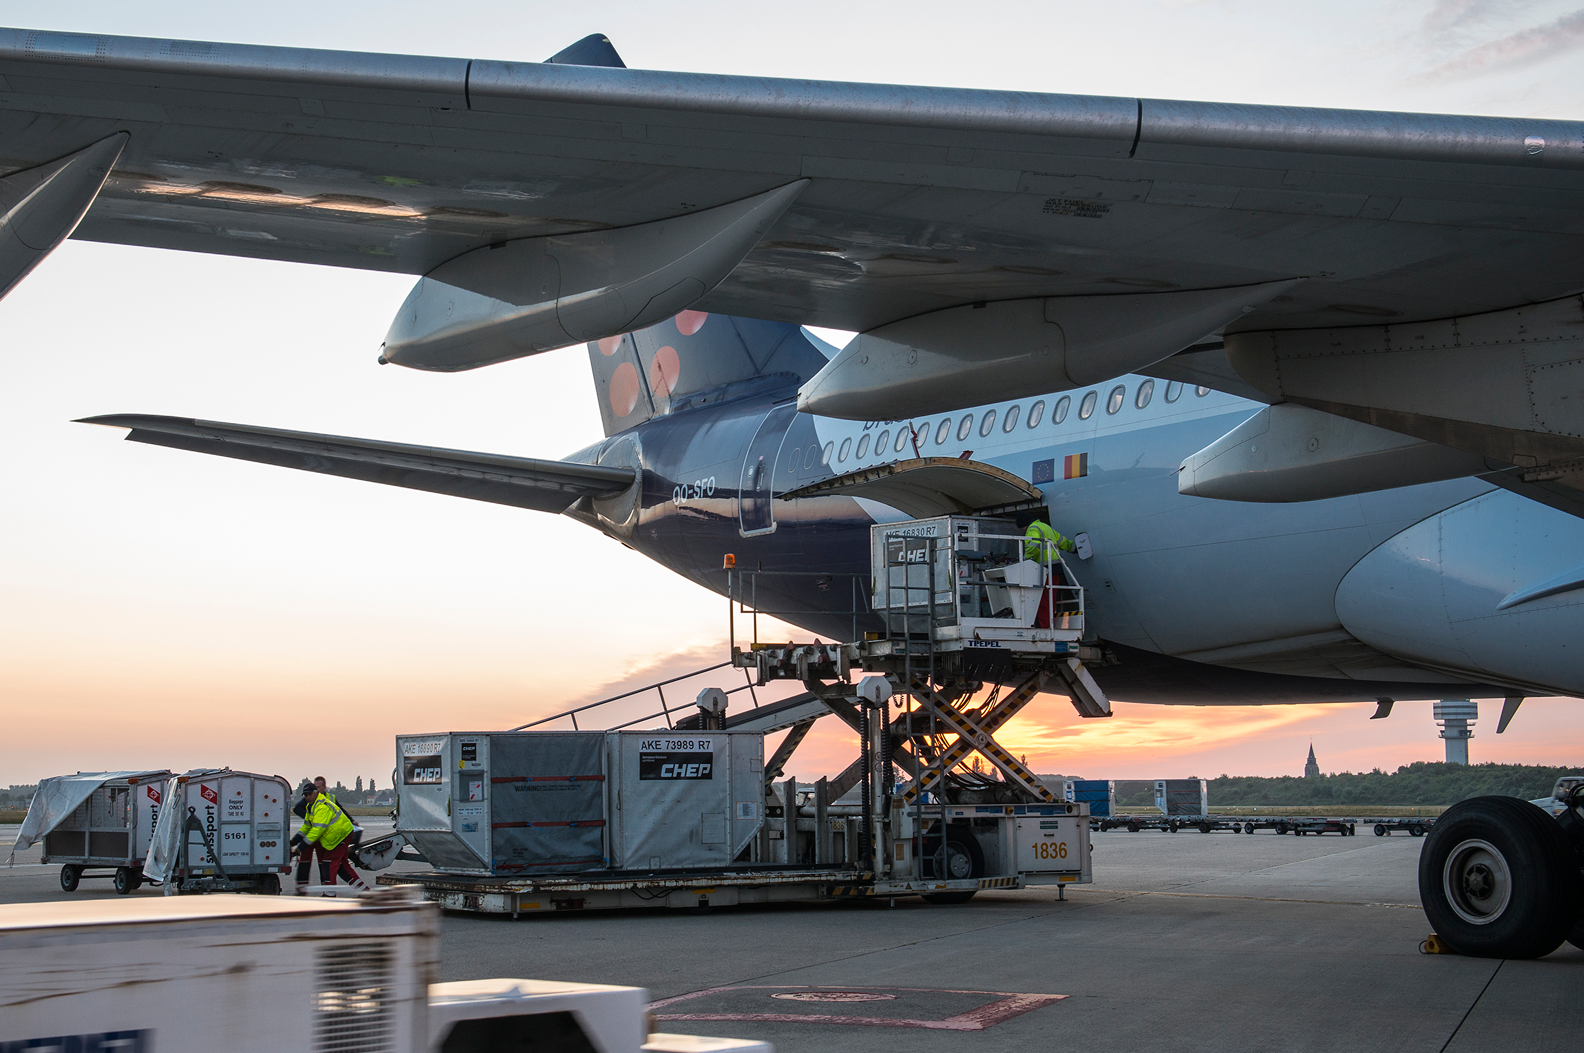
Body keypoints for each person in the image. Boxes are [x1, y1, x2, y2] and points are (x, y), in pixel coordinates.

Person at [292, 779, 369, 894]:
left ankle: (329, 895)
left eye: (310, 794)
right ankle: (364, 891)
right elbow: (306, 827)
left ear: (316, 793)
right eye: (306, 795)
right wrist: (293, 842)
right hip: (339, 836)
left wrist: (300, 848)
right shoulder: (311, 807)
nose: (308, 797)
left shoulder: (321, 807)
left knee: (328, 864)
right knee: (342, 867)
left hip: (340, 836)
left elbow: (316, 831)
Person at [1022, 517, 1078, 628]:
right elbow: (1061, 541)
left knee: (1042, 599)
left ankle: (1043, 625)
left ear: (1023, 526)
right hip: (1055, 567)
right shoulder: (1045, 527)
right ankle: (1046, 623)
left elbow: (1033, 546)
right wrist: (1073, 548)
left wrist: (1023, 560)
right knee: (1050, 597)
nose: (1023, 532)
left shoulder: (1032, 529)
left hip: (1043, 569)